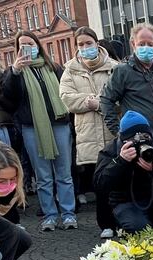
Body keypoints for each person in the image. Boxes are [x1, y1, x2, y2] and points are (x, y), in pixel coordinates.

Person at [1, 31, 77, 232]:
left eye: (31, 43)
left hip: (59, 123)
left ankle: (69, 214)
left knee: (64, 172)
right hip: (32, 127)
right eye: (23, 45)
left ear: (38, 45)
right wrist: (15, 71)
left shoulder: (54, 67)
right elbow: (9, 96)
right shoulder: (15, 73)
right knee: (43, 175)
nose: (28, 48)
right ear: (18, 50)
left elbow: (66, 93)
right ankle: (50, 215)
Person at [94, 111, 153, 257]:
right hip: (125, 202)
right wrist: (120, 161)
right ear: (123, 139)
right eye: (134, 139)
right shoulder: (111, 150)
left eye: (144, 137)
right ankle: (132, 231)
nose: (140, 142)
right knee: (141, 231)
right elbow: (100, 184)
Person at [59, 27, 118, 239]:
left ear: (96, 43)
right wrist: (88, 101)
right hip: (88, 133)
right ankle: (106, 224)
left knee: (117, 178)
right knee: (99, 180)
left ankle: (121, 219)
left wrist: (100, 103)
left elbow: (119, 96)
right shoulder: (70, 70)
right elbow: (66, 97)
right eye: (81, 44)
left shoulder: (114, 67)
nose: (85, 48)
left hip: (111, 130)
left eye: (88, 43)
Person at [100, 23, 153, 148]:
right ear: (133, 45)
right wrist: (118, 132)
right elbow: (106, 100)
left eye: (150, 44)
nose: (146, 47)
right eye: (141, 44)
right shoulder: (122, 71)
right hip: (137, 140)